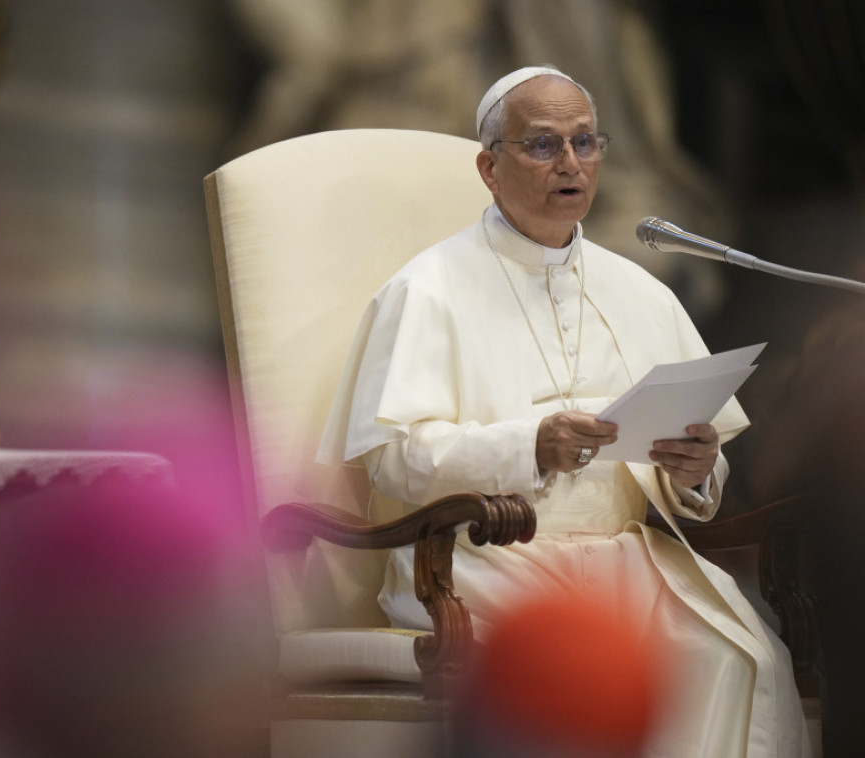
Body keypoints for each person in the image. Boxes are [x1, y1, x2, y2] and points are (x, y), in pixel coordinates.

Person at [318, 65, 810, 757]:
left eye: (586, 142)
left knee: (735, 659)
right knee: (570, 675)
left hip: (626, 562)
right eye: (544, 145)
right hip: (483, 562)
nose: (571, 163)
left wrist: (695, 470)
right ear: (490, 167)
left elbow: (699, 468)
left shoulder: (638, 292)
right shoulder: (425, 290)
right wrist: (530, 446)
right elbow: (395, 462)